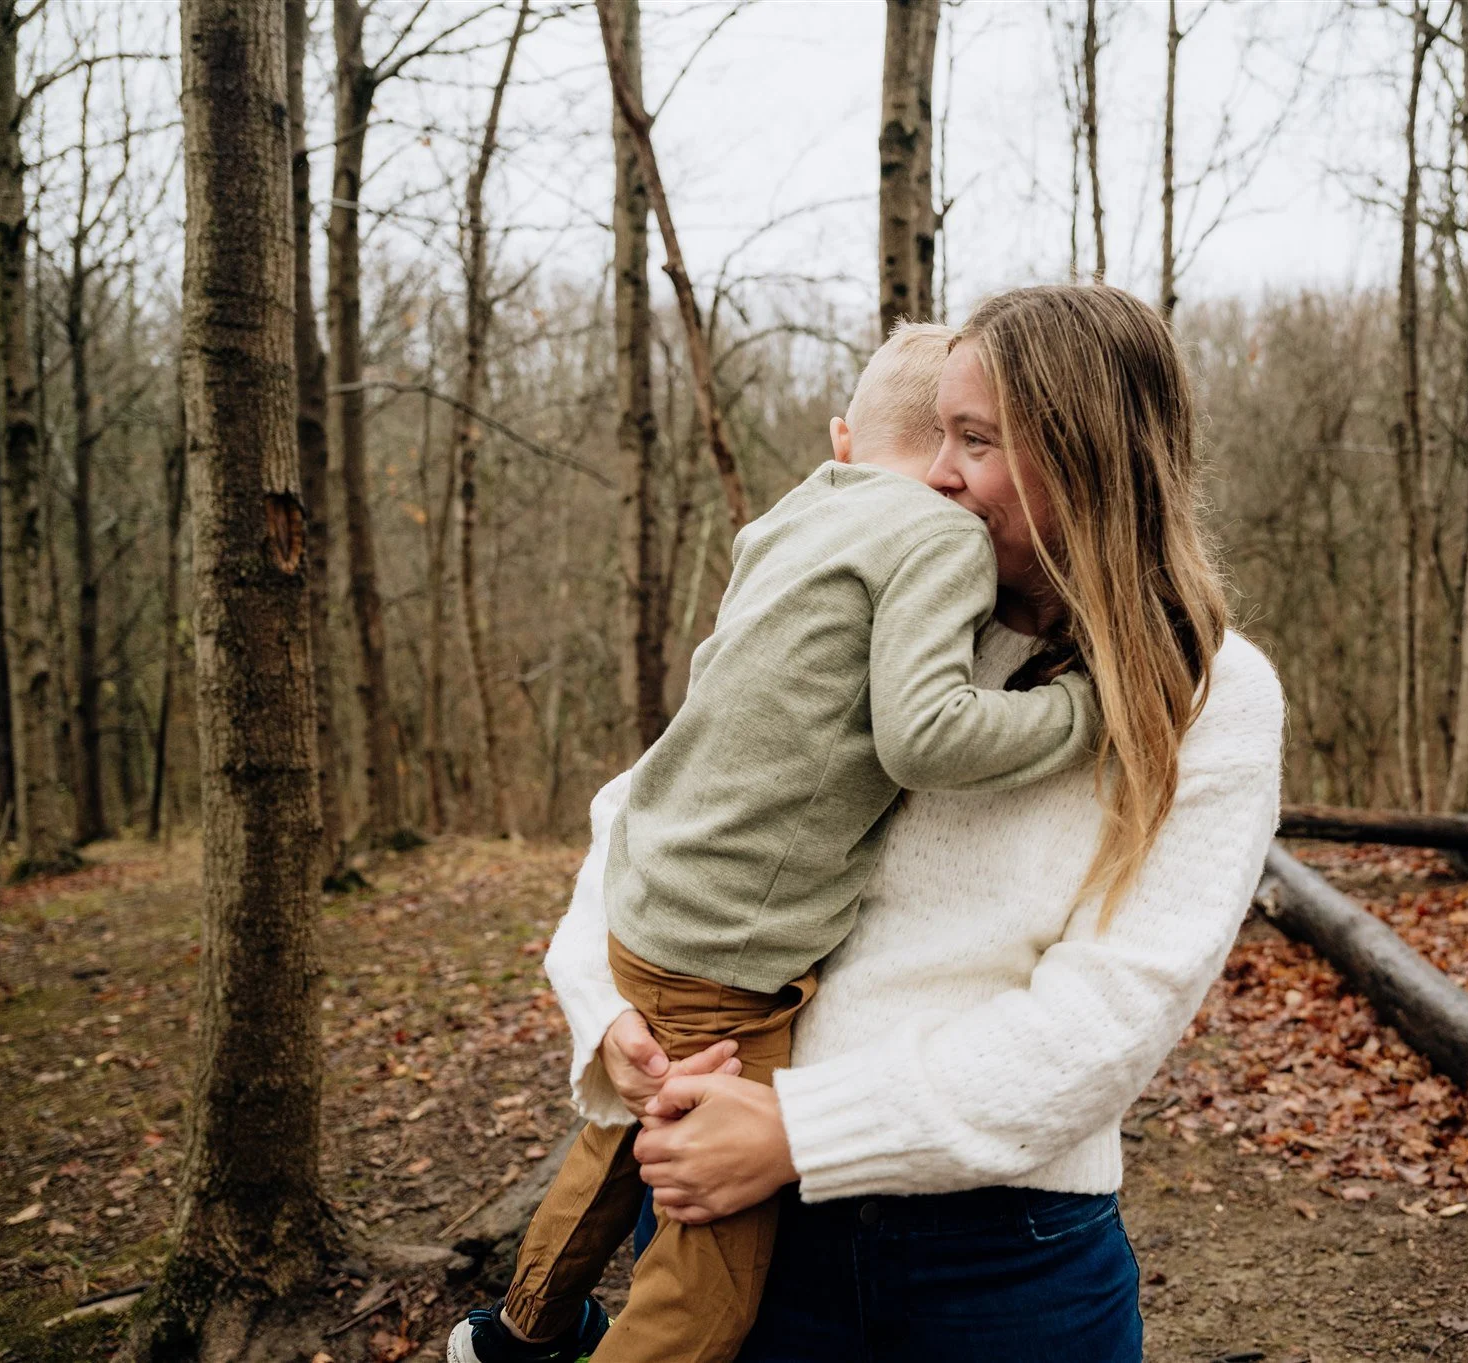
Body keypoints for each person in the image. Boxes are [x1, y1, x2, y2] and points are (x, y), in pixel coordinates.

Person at [541, 284, 1286, 1363]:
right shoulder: (891, 593)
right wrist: (610, 1015)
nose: (936, 471)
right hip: (753, 1224)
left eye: (973, 440)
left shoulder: (1208, 697)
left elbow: (1108, 1016)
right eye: (937, 431)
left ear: (1083, 459)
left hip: (1004, 1264)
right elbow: (646, 810)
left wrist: (799, 1131)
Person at [449, 322, 1102, 1363]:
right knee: (708, 1284)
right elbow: (925, 733)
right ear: (946, 456)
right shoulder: (937, 536)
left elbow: (707, 720)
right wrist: (1078, 713)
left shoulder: (795, 517)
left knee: (623, 1137)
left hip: (652, 915)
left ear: (843, 436)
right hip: (733, 956)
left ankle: (516, 1334)